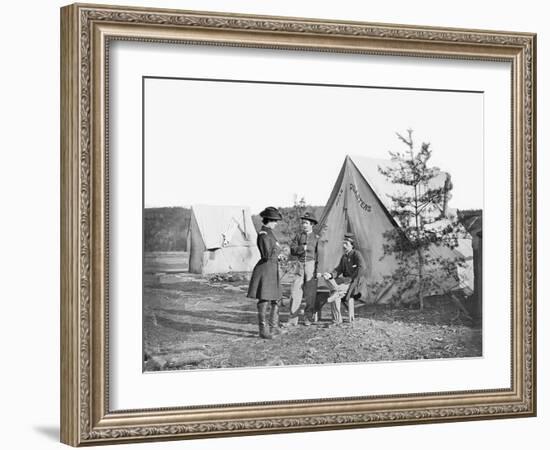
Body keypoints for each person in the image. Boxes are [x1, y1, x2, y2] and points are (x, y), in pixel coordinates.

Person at [247, 207, 285, 339]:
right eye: (274, 221)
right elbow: (267, 254)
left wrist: (279, 255)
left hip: (272, 268)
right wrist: (278, 252)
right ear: (269, 220)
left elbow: (272, 252)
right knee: (264, 299)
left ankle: (274, 327)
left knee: (276, 298)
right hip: (265, 269)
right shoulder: (263, 234)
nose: (276, 223)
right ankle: (263, 331)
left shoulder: (270, 232)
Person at [322, 233, 367, 325]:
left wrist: (351, 278)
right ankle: (337, 291)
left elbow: (362, 268)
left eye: (346, 243)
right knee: (327, 279)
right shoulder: (344, 257)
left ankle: (336, 320)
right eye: (343, 243)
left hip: (355, 282)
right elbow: (339, 270)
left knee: (333, 294)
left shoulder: (356, 254)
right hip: (345, 281)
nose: (344, 245)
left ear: (352, 245)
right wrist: (330, 275)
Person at [286, 211, 320, 327]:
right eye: (303, 223)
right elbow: (292, 250)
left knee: (310, 293)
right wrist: (302, 248)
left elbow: (319, 254)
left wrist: (317, 269)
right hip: (299, 265)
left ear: (312, 224)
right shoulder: (299, 236)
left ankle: (308, 317)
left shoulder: (316, 237)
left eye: (306, 223)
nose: (304, 225)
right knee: (295, 292)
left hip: (311, 265)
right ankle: (292, 319)